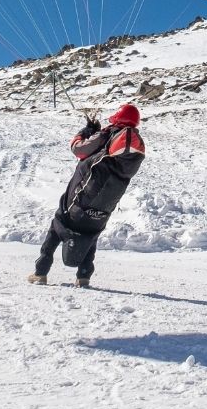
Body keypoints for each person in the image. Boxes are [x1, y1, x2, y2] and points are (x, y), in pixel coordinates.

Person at [28, 103, 146, 287]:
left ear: (118, 117)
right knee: (91, 233)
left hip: (80, 198)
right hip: (103, 207)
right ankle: (83, 277)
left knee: (58, 223)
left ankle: (40, 272)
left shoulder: (109, 134)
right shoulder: (130, 153)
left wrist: (87, 130)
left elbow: (78, 148)